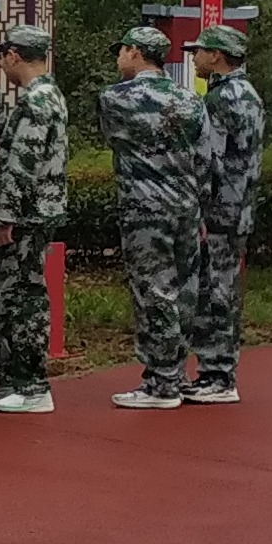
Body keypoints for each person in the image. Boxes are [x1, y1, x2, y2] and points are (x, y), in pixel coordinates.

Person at [100, 25, 203, 411]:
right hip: (185, 204)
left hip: (144, 208)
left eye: (122, 50)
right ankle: (175, 371)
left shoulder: (114, 98)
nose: (118, 57)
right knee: (184, 289)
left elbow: (114, 139)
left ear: (135, 52)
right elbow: (202, 153)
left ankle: (161, 383)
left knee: (153, 291)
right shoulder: (190, 99)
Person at [0, 24, 68, 415]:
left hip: (26, 216)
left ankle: (32, 387)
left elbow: (22, 165)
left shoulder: (38, 100)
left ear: (13, 56)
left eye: (3, 57)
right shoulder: (41, 96)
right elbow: (10, 140)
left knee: (22, 297)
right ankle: (5, 381)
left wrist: (5, 217)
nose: (1, 64)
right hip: (26, 214)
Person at [183, 23, 266, 404]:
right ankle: (220, 371)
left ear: (216, 56)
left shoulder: (219, 99)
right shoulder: (249, 94)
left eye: (199, 51)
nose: (195, 58)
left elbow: (209, 160)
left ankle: (217, 375)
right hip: (240, 208)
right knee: (227, 289)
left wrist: (197, 206)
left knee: (214, 291)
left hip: (218, 211)